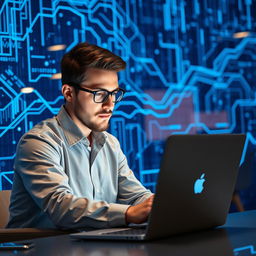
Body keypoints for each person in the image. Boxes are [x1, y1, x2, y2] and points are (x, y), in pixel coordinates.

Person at [7, 42, 153, 230]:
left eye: (114, 93)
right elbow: (61, 207)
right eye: (99, 93)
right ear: (69, 93)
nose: (110, 105)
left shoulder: (110, 143)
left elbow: (135, 196)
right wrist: (128, 214)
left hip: (93, 247)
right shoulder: (38, 142)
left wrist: (158, 205)